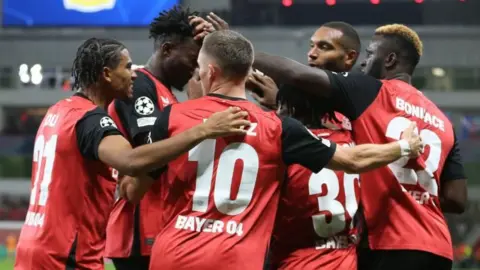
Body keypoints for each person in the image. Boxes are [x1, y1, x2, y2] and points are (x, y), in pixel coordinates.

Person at [120, 30, 423, 270]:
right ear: (245, 71)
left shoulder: (174, 117)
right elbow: (351, 160)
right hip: (238, 259)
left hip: (175, 255)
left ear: (210, 72)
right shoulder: (279, 128)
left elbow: (133, 189)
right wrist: (404, 146)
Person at [14, 37, 250, 270]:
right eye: (127, 67)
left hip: (34, 246)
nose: (134, 74)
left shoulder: (58, 111)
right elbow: (131, 161)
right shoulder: (91, 120)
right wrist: (204, 129)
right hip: (67, 254)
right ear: (107, 74)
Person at [253, 24, 467, 270]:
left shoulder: (371, 92)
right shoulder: (442, 120)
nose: (364, 64)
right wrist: (412, 191)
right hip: (438, 247)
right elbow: (456, 199)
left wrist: (240, 53)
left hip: (389, 243)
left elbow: (298, 75)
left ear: (389, 59)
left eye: (369, 55)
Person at [105, 6, 214, 269]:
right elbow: (150, 152)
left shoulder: (167, 93)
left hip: (159, 224)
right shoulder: (141, 85)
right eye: (192, 59)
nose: (194, 69)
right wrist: (199, 118)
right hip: (140, 230)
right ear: (167, 50)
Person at [261, 22, 363, 270]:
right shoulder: (352, 132)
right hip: (345, 260)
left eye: (323, 47)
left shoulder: (281, 144)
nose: (311, 54)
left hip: (295, 262)